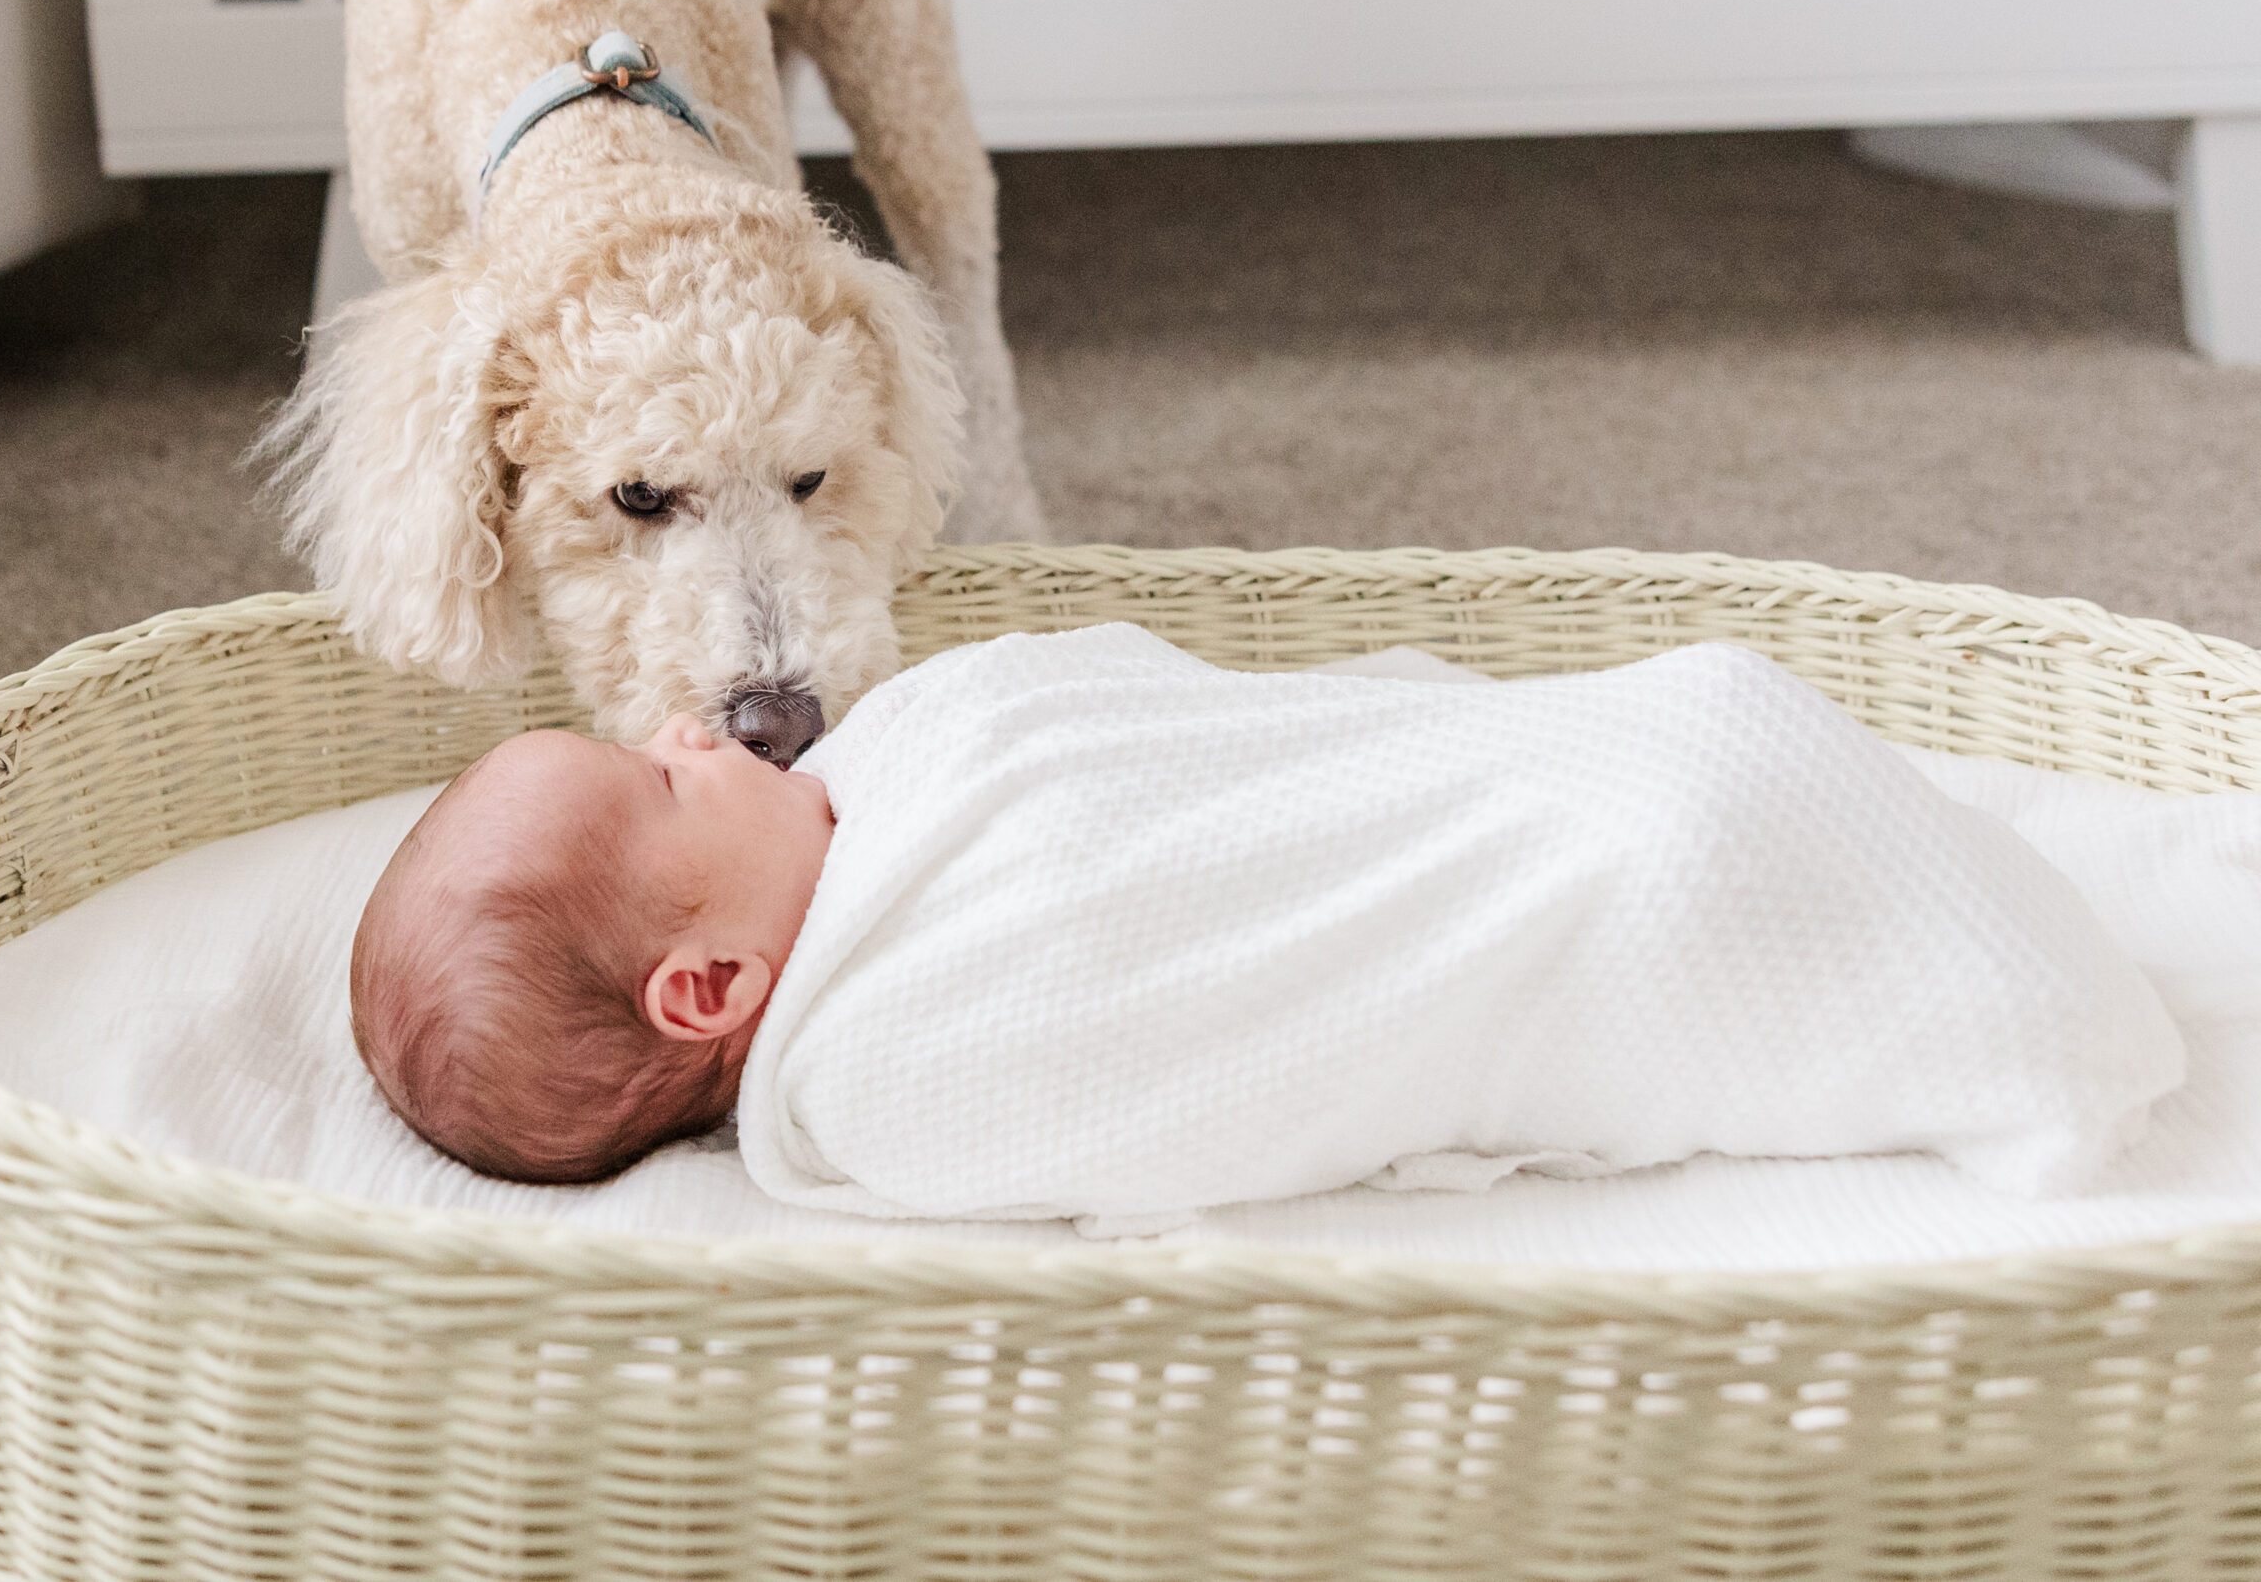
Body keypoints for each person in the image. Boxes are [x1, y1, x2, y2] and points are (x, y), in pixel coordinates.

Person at [351, 624, 2181, 1229]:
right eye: (662, 785)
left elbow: (1165, 724)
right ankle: (1992, 1021)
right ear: (709, 983)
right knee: (1677, 824)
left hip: (1587, 748)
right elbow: (1203, 1026)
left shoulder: (895, 778)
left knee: (1687, 731)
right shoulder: (892, 1075)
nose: (686, 734)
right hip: (1641, 866)